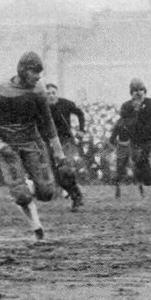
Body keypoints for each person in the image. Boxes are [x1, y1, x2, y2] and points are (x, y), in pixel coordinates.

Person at [0, 51, 66, 240]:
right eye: (34, 72)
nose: (38, 76)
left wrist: (58, 151)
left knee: (47, 193)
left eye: (39, 72)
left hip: (31, 143)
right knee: (21, 197)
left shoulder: (38, 91)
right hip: (7, 147)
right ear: (22, 70)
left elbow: (48, 122)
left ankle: (24, 184)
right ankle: (36, 227)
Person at [111, 78, 151, 215]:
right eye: (135, 91)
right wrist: (113, 138)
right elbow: (121, 124)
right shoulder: (126, 106)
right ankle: (145, 183)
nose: (138, 93)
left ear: (145, 91)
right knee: (144, 176)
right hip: (136, 145)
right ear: (131, 93)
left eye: (141, 90)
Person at [45, 83, 85, 212]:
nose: (51, 95)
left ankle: (76, 193)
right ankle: (75, 195)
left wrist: (82, 130)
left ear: (56, 93)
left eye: (53, 93)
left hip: (66, 140)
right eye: (48, 93)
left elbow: (80, 113)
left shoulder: (65, 103)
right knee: (57, 177)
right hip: (49, 141)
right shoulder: (41, 107)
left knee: (66, 169)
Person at [108, 118, 144, 200]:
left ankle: (118, 193)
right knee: (129, 170)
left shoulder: (122, 123)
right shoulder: (124, 123)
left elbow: (112, 139)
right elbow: (111, 139)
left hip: (126, 147)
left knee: (131, 170)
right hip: (124, 147)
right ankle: (140, 192)